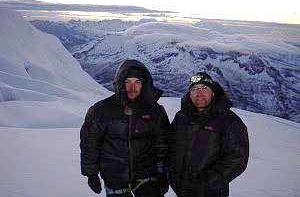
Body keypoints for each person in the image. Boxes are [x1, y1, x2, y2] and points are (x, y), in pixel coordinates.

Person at [80, 59, 171, 197]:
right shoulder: (101, 111)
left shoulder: (155, 111)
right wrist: (91, 173)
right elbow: (90, 143)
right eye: (128, 82)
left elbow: (163, 144)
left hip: (148, 178)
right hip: (115, 178)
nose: (132, 87)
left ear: (144, 85)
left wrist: (163, 171)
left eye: (137, 82)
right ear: (120, 83)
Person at [168, 72, 249, 197]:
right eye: (194, 89)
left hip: (211, 192)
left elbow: (237, 159)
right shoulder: (182, 117)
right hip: (182, 190)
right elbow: (170, 145)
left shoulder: (229, 121)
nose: (199, 93)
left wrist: (205, 183)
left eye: (204, 88)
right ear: (189, 94)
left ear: (213, 92)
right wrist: (172, 175)